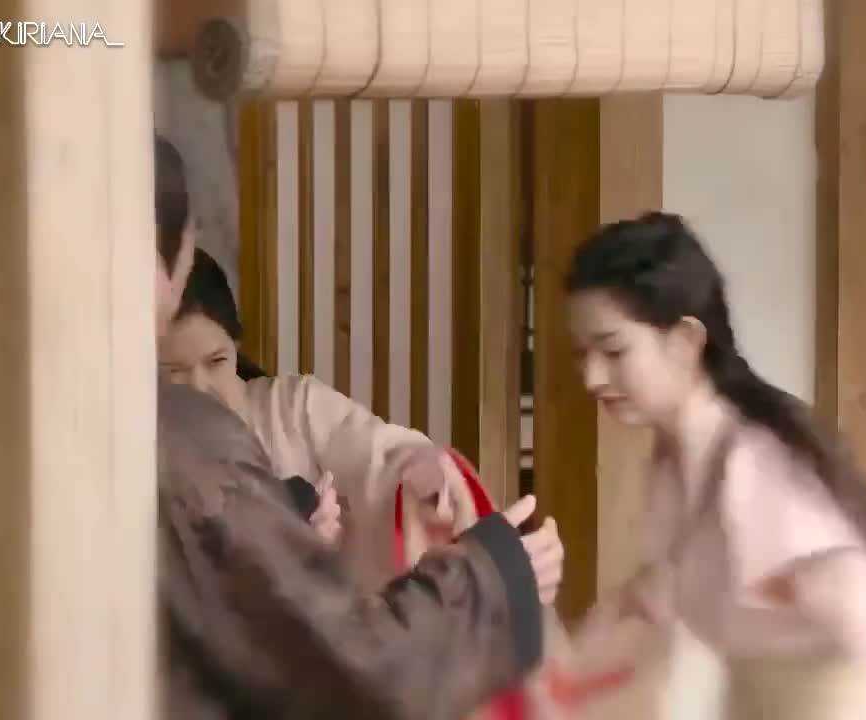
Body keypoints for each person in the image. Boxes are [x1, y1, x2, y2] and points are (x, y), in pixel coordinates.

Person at [152, 135, 564, 719]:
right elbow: (342, 662)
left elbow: (375, 450)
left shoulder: (289, 406)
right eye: (173, 372)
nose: (200, 385)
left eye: (216, 361)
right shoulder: (185, 441)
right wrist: (492, 580)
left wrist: (422, 470)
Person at [552, 212, 866, 719]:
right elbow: (663, 597)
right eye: (582, 355)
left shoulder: (751, 465)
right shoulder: (672, 464)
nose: (592, 377)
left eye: (613, 350)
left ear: (685, 341)